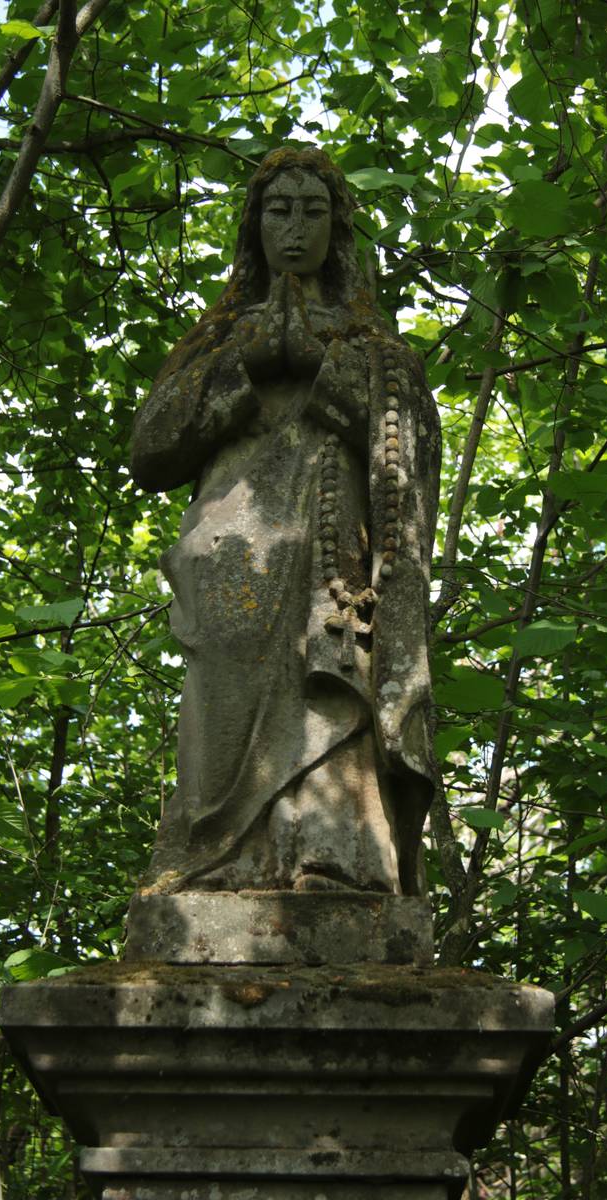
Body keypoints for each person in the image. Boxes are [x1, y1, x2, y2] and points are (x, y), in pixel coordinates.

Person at [130, 147, 441, 896]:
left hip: (329, 550)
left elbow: (413, 439)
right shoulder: (219, 338)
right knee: (224, 688)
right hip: (230, 550)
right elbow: (150, 448)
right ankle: (213, 863)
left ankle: (332, 861)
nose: (295, 227)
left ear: (337, 228)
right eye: (278, 210)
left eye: (312, 210)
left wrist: (320, 363)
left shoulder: (371, 343)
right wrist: (250, 364)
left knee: (331, 680)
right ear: (254, 227)